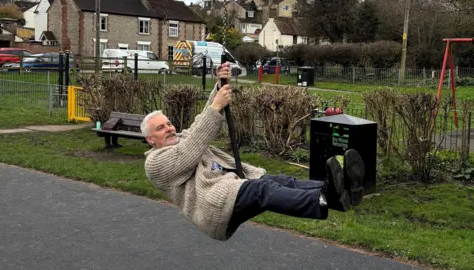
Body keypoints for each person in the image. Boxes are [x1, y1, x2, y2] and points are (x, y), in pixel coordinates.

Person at [141, 62, 366, 241]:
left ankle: (341, 190)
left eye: (169, 123)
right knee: (263, 189)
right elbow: (194, 146)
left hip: (232, 184)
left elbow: (201, 121)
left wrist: (219, 86)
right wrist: (216, 106)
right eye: (161, 128)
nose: (170, 128)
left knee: (282, 181)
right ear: (150, 139)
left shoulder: (179, 139)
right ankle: (323, 198)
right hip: (216, 205)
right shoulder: (155, 163)